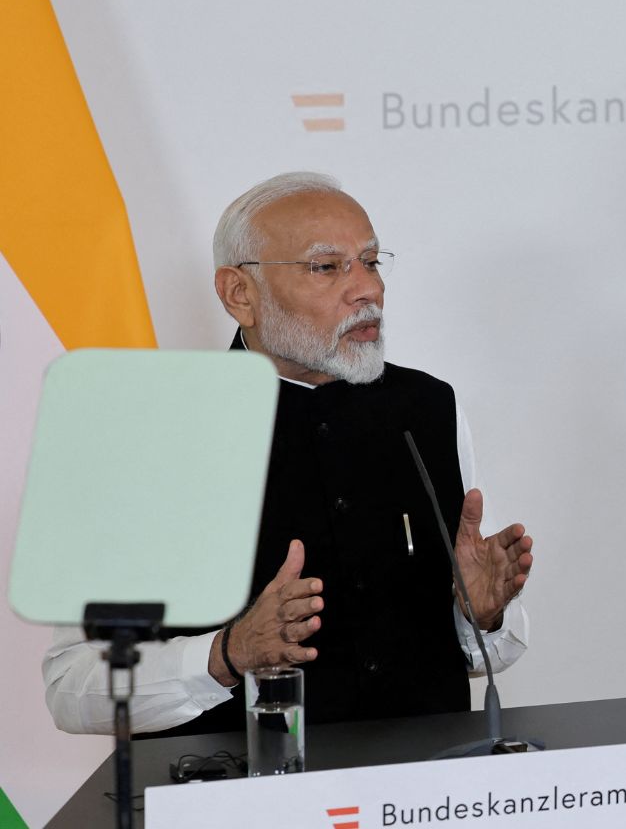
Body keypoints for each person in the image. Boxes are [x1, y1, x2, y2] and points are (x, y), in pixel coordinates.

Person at [44, 172, 534, 736]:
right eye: (327, 267)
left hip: (422, 799)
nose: (367, 289)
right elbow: (71, 687)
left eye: (371, 262)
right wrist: (225, 655)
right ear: (239, 294)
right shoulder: (146, 433)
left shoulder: (426, 408)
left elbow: (485, 653)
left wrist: (482, 613)